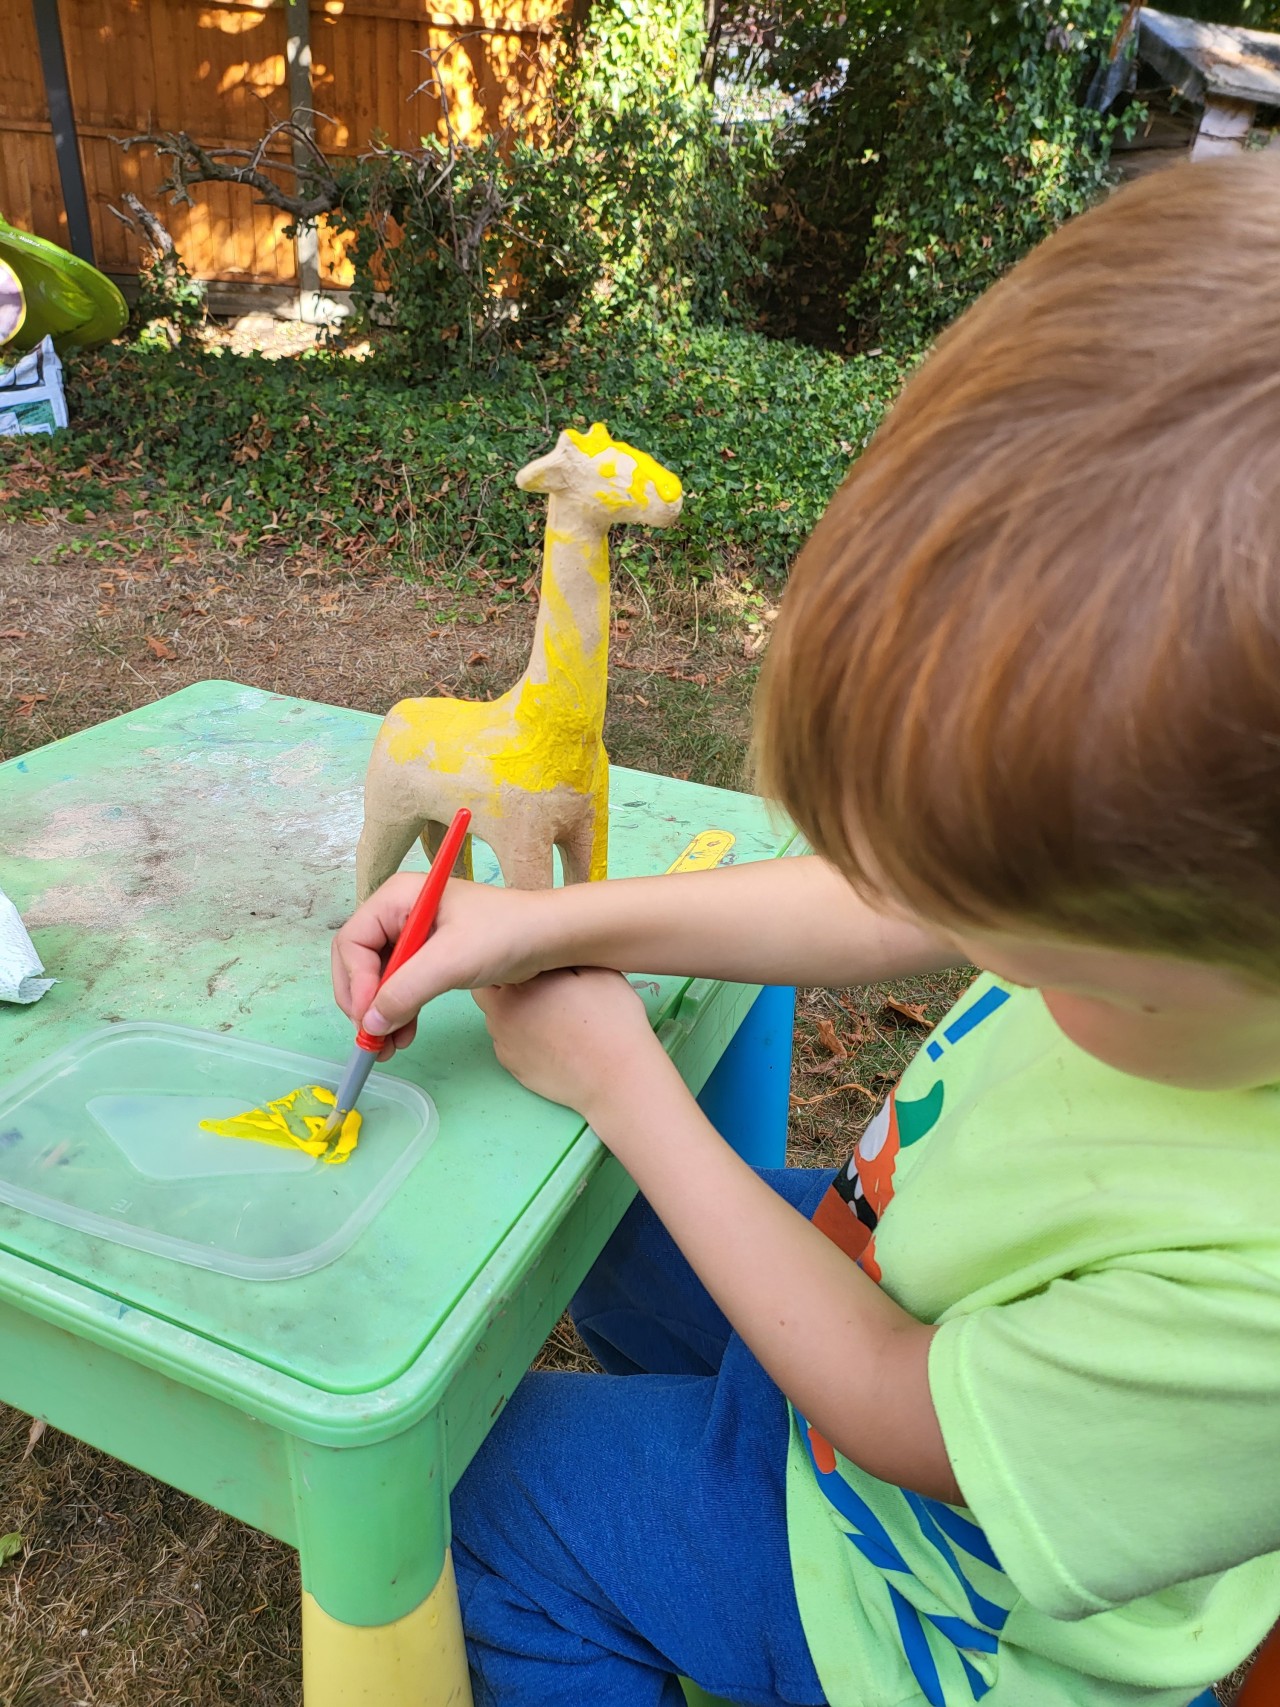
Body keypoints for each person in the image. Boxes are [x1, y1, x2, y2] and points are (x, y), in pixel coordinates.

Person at [331, 157, 1280, 1706]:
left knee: (482, 1506)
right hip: (889, 1285)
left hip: (925, 1596)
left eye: (1035, 948)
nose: (989, 951)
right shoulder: (1204, 917)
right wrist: (536, 922)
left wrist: (632, 1090)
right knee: (601, 1232)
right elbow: (895, 895)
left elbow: (908, 1415)